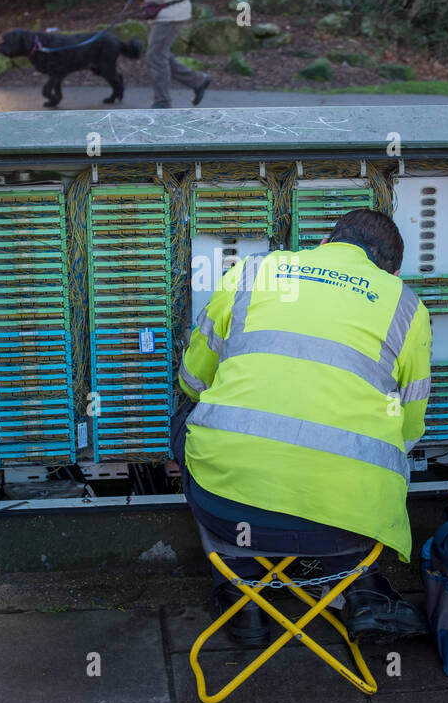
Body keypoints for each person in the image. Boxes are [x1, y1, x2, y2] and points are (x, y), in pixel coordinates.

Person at [174, 209, 432, 646]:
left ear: (325, 243)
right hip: (346, 530)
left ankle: (243, 597)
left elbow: (193, 381)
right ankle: (354, 585)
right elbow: (407, 432)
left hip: (230, 510)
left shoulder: (254, 272)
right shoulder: (405, 304)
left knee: (187, 420)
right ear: (391, 270)